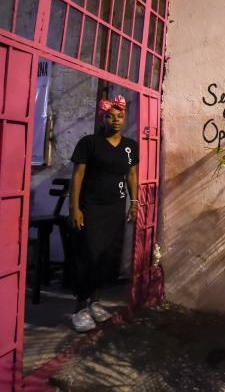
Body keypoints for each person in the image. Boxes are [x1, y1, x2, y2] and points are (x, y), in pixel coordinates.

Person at [68, 95, 139, 332]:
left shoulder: (130, 146)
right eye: (110, 116)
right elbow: (77, 176)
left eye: (120, 116)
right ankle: (79, 308)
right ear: (103, 118)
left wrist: (134, 202)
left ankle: (95, 303)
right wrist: (74, 208)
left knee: (106, 256)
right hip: (90, 207)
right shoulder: (89, 143)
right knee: (88, 254)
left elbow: (131, 175)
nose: (116, 120)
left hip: (115, 208)